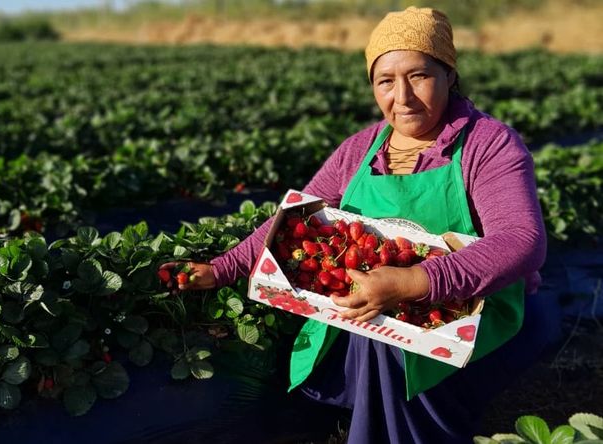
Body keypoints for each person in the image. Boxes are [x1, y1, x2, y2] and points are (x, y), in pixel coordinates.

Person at [161, 7, 549, 443]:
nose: (402, 97)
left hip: (469, 305)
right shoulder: (360, 149)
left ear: (448, 75)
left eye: (418, 75)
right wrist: (221, 268)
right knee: (374, 323)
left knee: (384, 335)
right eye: (385, 81)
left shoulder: (488, 144)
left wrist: (413, 280)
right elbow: (294, 222)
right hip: (378, 293)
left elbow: (522, 241)